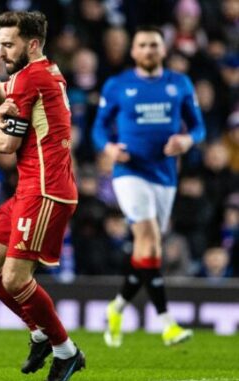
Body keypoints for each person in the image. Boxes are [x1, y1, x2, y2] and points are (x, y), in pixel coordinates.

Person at [0, 11, 85, 381]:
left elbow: (8, 143)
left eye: (8, 45)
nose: (1, 51)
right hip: (28, 189)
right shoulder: (41, 72)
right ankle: (40, 331)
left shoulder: (30, 79)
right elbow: (10, 91)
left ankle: (66, 350)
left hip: (46, 192)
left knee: (14, 279)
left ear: (33, 44)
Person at [92, 25, 205, 348]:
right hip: (129, 172)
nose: (148, 50)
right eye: (142, 45)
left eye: (154, 45)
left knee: (148, 249)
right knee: (150, 237)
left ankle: (116, 308)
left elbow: (198, 127)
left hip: (165, 174)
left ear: (163, 50)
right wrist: (110, 148)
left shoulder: (179, 84)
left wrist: (186, 140)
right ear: (133, 51)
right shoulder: (117, 85)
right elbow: (99, 128)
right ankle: (167, 322)